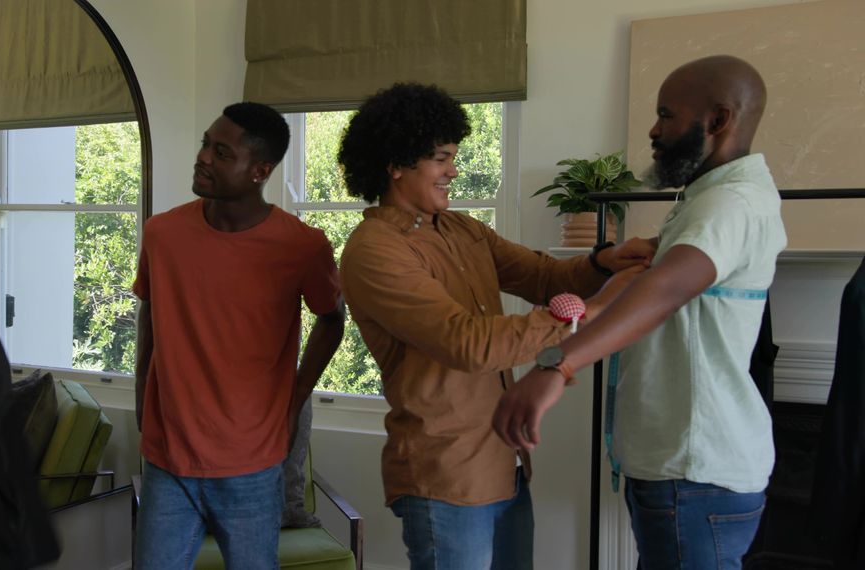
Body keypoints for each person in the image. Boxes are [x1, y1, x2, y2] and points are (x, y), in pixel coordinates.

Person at [336, 82, 655, 570]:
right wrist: (579, 314)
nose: (453, 171)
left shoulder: (463, 229)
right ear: (396, 163)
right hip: (445, 476)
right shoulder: (374, 250)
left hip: (505, 464)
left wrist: (604, 261)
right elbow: (467, 343)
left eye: (453, 157)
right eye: (441, 159)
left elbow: (544, 276)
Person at [493, 55, 785, 569]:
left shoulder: (729, 204)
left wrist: (558, 364)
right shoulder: (709, 199)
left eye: (666, 115)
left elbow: (668, 288)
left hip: (693, 472)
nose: (653, 130)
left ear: (717, 121)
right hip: (683, 469)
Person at [132, 102, 345, 569]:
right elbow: (151, 308)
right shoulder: (162, 233)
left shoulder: (302, 246)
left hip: (253, 464)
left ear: (259, 171)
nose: (204, 157)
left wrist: (294, 400)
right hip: (168, 459)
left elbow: (332, 321)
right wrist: (139, 392)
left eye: (222, 152)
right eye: (206, 143)